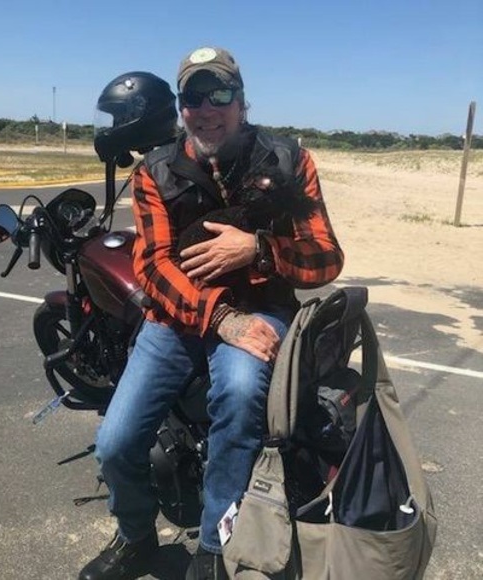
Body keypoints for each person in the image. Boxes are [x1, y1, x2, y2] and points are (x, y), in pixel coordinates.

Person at [79, 47, 344, 580]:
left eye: (219, 94)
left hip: (260, 308)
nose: (206, 109)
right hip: (177, 320)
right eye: (193, 97)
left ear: (242, 101)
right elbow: (153, 266)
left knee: (240, 399)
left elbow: (326, 257)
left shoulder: (289, 160)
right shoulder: (156, 170)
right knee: (115, 442)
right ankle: (135, 536)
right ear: (181, 108)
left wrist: (259, 250)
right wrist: (220, 317)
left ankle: (215, 547)